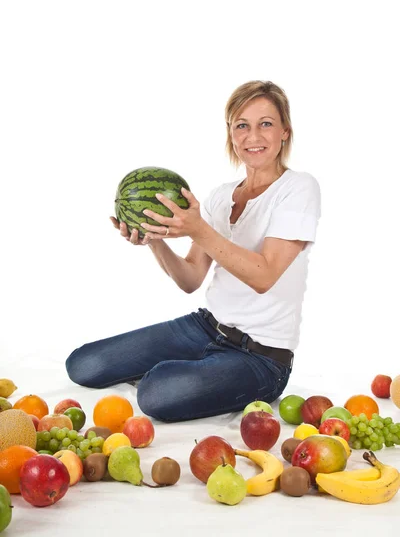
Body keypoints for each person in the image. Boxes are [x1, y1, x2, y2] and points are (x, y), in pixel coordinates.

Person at [66, 80, 321, 423]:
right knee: (83, 364)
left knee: (155, 392)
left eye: (266, 124)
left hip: (261, 358)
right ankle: (197, 371)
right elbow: (190, 279)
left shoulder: (299, 188)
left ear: (285, 132)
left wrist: (198, 227)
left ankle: (196, 375)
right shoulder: (220, 196)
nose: (253, 136)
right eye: (242, 125)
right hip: (206, 327)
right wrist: (153, 239)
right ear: (231, 134)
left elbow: (265, 275)